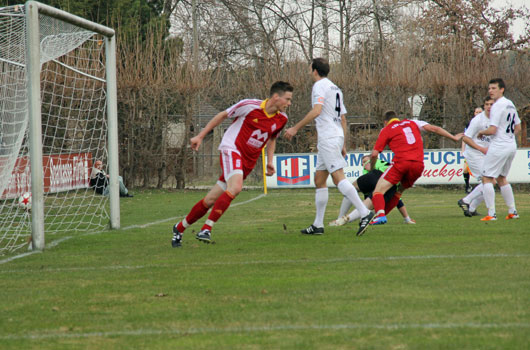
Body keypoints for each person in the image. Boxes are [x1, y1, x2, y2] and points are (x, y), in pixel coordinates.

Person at [171, 81, 294, 247]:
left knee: (210, 200)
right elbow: (222, 115)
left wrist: (269, 161)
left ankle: (179, 228)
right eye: (287, 99)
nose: (289, 103)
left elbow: (272, 138)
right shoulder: (249, 106)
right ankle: (206, 228)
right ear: (275, 97)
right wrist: (200, 136)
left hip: (248, 161)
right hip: (232, 149)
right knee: (235, 188)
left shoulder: (282, 118)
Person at [284, 58, 373, 236]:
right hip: (335, 136)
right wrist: (343, 143)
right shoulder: (335, 88)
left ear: (315, 70)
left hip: (328, 137)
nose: (309, 71)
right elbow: (343, 118)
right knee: (319, 180)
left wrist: (295, 128)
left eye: (310, 68)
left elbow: (317, 110)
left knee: (338, 178)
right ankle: (318, 225)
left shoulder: (319, 86)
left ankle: (364, 213)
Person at [362, 110, 463, 234]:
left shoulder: (386, 129)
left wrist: (371, 168)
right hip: (418, 165)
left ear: (385, 122)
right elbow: (434, 129)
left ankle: (380, 215)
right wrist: (454, 138)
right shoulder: (412, 122)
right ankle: (380, 215)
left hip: (401, 163)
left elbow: (374, 154)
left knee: (379, 190)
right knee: (398, 193)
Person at [476, 78, 521, 221]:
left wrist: (481, 132)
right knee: (502, 178)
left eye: (494, 88)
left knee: (487, 178)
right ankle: (513, 211)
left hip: (499, 146)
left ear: (502, 89)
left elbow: (492, 129)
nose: (490, 91)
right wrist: (507, 137)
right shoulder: (510, 104)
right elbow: (518, 127)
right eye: (489, 88)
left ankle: (491, 214)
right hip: (511, 145)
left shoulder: (497, 106)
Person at [330, 155, 415, 226]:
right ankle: (343, 221)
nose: (364, 164)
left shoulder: (370, 165)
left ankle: (340, 218)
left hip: (379, 175)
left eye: (365, 161)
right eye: (362, 162)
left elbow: (370, 170)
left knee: (351, 189)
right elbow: (398, 200)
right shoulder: (394, 170)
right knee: (366, 206)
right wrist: (407, 218)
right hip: (392, 187)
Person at [457, 97, 494, 217]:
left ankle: (471, 208)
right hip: (474, 154)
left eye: (491, 104)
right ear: (484, 106)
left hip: (485, 154)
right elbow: (466, 138)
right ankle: (466, 201)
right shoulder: (477, 120)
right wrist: (481, 149)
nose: (489, 106)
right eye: (487, 104)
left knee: (490, 183)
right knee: (488, 181)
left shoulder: (497, 119)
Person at [462, 106, 483, 193]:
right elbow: (465, 138)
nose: (478, 114)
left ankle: (483, 187)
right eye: (476, 112)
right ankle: (467, 186)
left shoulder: (487, 123)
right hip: (471, 151)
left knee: (484, 173)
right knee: (465, 169)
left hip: (482, 151)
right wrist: (463, 149)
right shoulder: (470, 124)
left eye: (480, 112)